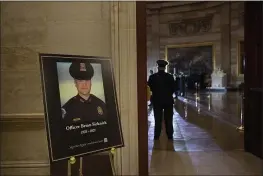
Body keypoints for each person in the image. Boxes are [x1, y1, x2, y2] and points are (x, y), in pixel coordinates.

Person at [148, 60, 176, 140]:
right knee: (169, 119)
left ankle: (156, 136)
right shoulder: (170, 77)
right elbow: (174, 88)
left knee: (157, 119)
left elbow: (150, 88)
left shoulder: (152, 77)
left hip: (157, 100)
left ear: (158, 67)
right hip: (168, 100)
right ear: (165, 67)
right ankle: (170, 135)